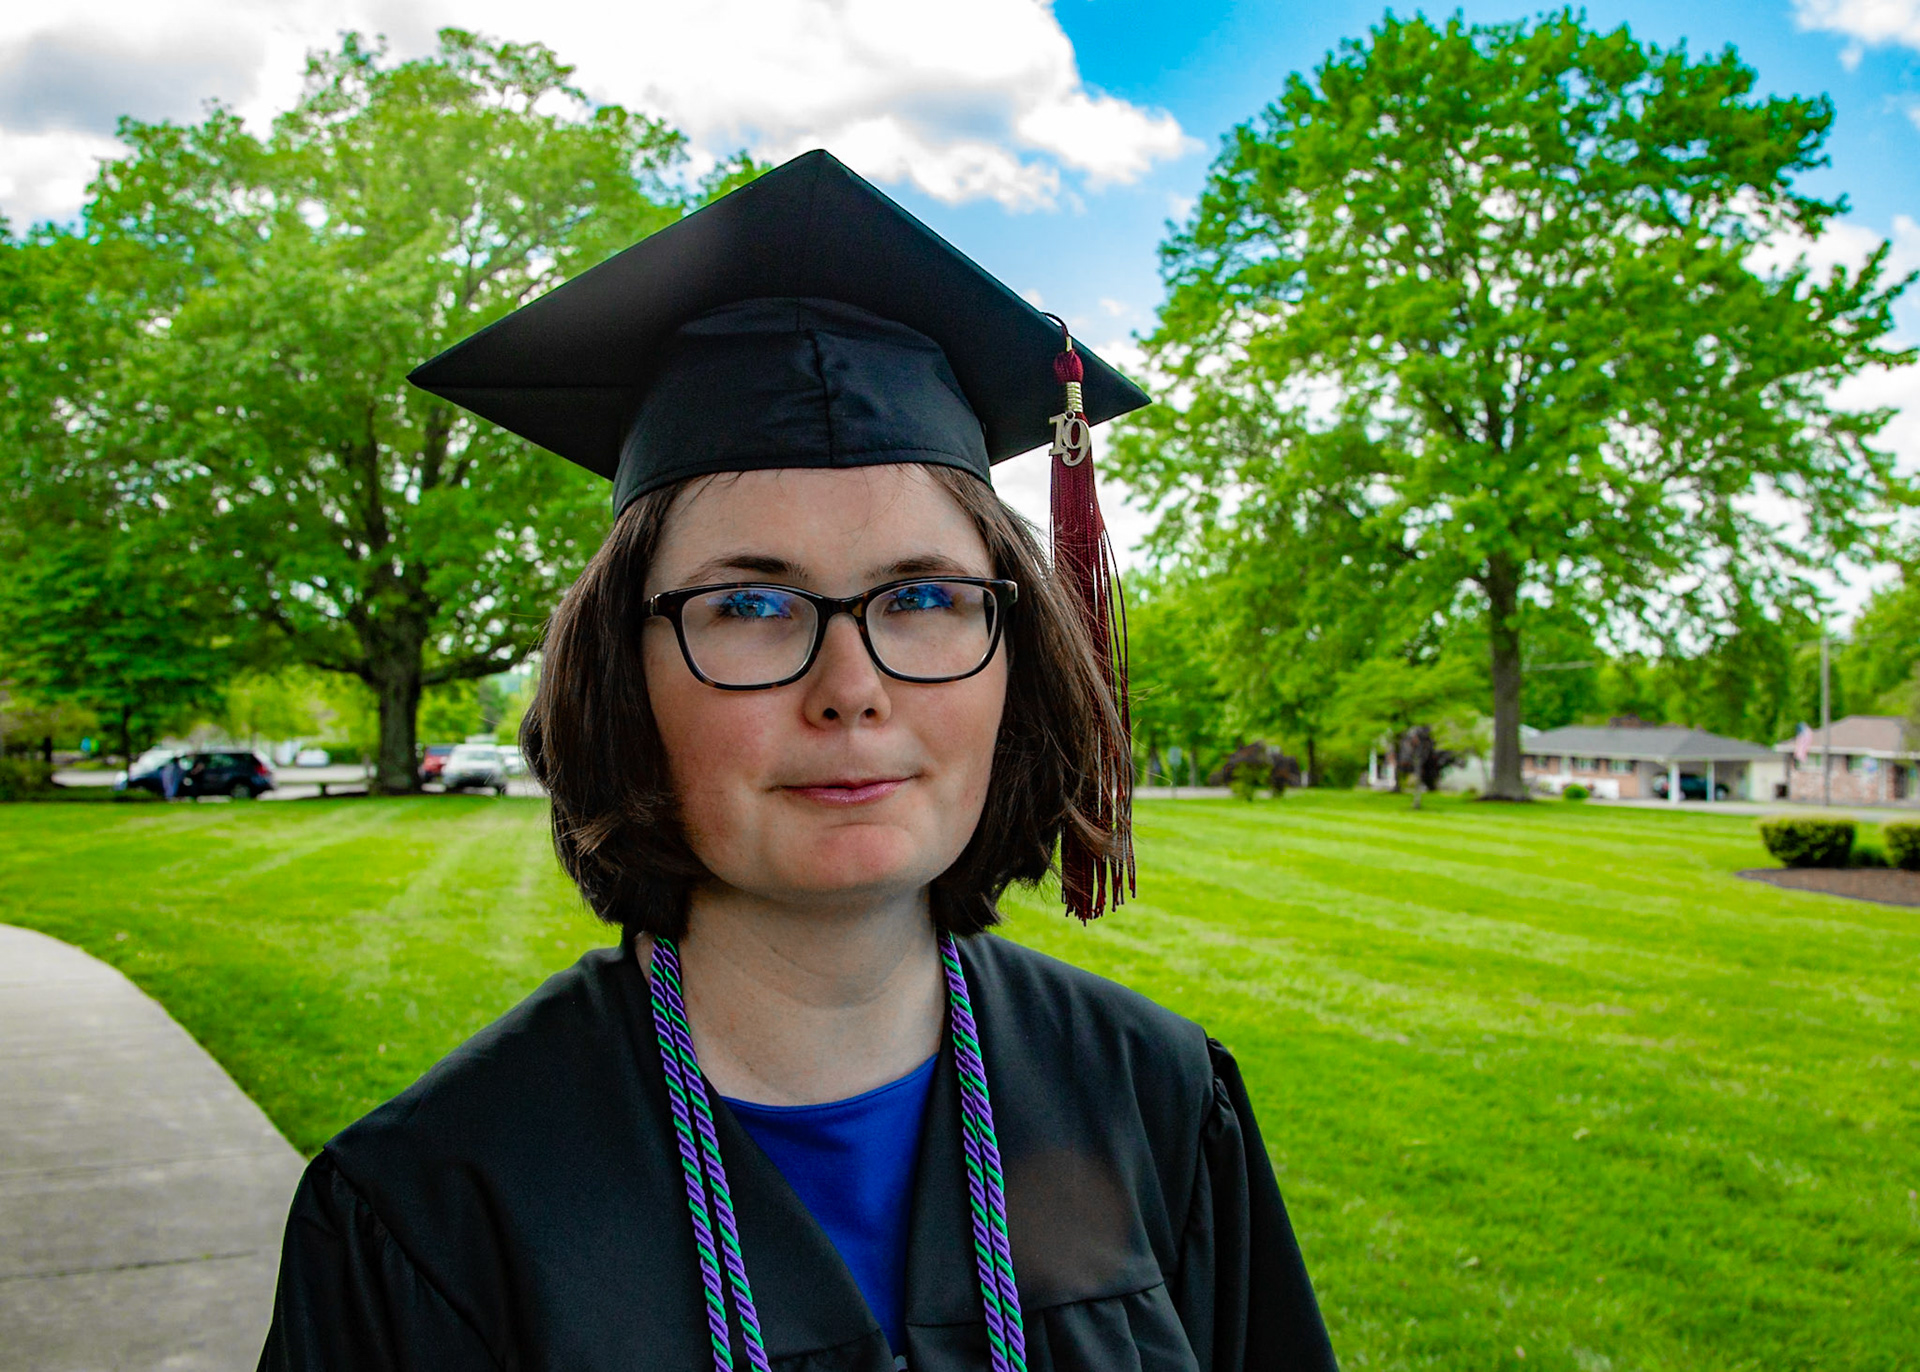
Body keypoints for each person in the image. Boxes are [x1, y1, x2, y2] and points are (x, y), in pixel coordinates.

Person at [259, 150, 1337, 1372]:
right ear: (626, 677)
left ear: (1014, 655)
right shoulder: (436, 1210)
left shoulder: (1159, 1102)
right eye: (751, 609)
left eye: (923, 594)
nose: (854, 690)